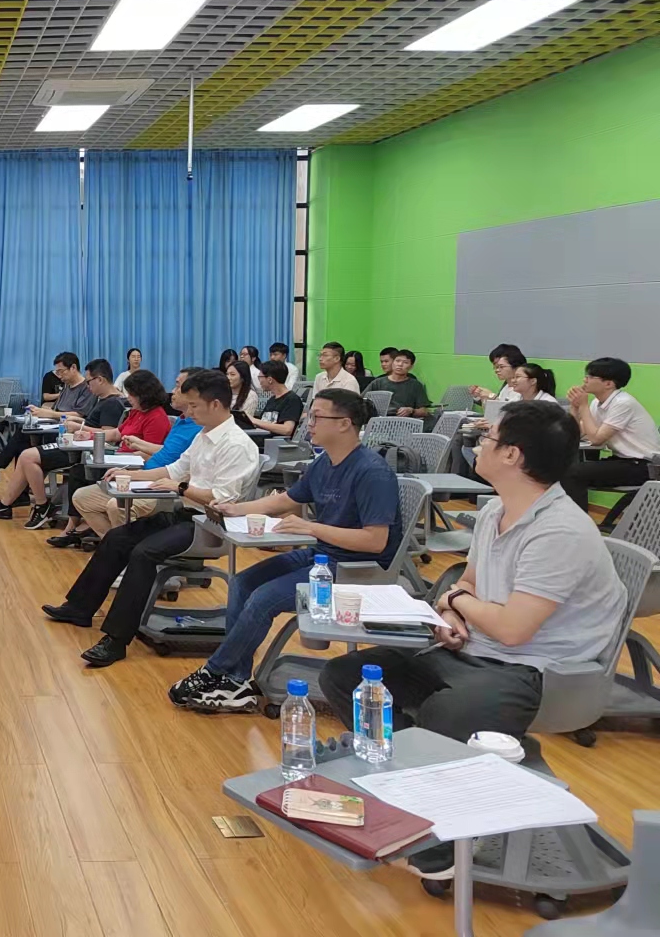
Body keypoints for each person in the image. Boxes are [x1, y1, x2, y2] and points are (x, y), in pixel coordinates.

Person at [320, 401, 626, 879]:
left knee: (445, 712)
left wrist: (457, 603)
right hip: (476, 650)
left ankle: (445, 831)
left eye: (488, 438)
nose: (479, 445)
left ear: (513, 455)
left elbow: (513, 629)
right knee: (347, 677)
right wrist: (449, 610)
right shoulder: (496, 512)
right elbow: (466, 585)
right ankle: (413, 784)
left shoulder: (560, 531)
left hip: (539, 670)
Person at [170, 389, 401, 712]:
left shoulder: (372, 472)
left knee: (263, 599)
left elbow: (375, 541)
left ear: (344, 424)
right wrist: (236, 508)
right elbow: (285, 499)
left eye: (317, 417)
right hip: (325, 556)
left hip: (358, 569)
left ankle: (216, 671)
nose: (309, 423)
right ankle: (237, 679)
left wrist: (311, 528)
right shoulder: (324, 463)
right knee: (243, 582)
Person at [39, 369, 261, 667]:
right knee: (117, 538)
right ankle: (79, 607)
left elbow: (223, 499)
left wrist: (180, 488)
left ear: (216, 405)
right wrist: (131, 475)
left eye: (194, 405)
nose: (189, 411)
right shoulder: (204, 436)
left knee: (143, 553)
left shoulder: (235, 444)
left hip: (211, 526)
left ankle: (116, 640)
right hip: (185, 515)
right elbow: (172, 470)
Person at [52, 368, 202, 546]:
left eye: (178, 386)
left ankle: (120, 550)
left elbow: (172, 468)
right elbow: (165, 452)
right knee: (81, 496)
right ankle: (115, 548)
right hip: (145, 475)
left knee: (110, 500)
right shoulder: (180, 421)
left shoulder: (181, 424)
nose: (173, 391)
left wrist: (130, 467)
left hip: (158, 483)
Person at [0, 360, 129, 524]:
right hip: (75, 445)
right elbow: (95, 425)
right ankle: (4, 505)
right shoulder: (102, 400)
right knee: (25, 456)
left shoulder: (112, 403)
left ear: (100, 380)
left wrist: (80, 428)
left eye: (89, 382)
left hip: (80, 452)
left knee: (27, 457)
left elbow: (107, 437)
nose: (87, 386)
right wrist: (77, 423)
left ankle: (42, 506)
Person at [0, 352, 94, 482]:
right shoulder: (67, 387)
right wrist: (40, 411)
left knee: (22, 438)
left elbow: (78, 415)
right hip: (53, 427)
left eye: (61, 372)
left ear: (73, 368)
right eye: (58, 372)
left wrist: (47, 413)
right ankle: (2, 475)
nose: (60, 376)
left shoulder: (86, 388)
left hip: (67, 434)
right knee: (23, 436)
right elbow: (56, 409)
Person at [562, 357, 660, 510]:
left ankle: (578, 521)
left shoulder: (623, 403)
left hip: (645, 465)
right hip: (622, 460)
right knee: (566, 471)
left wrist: (583, 407)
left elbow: (596, 439)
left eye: (590, 376)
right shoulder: (597, 403)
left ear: (608, 383)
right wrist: (575, 408)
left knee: (573, 473)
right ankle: (574, 517)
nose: (584, 380)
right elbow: (577, 434)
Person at [247, 361, 305, 440]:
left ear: (270, 379)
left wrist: (255, 421)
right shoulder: (272, 400)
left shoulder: (292, 399)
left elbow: (287, 429)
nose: (259, 381)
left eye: (260, 377)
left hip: (273, 444)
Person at [364, 348, 429, 418]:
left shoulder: (416, 385)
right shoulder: (377, 383)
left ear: (411, 366)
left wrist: (411, 410)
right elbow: (361, 401)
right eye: (397, 361)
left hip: (405, 420)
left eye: (405, 362)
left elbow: (424, 411)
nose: (400, 364)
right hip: (380, 419)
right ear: (393, 363)